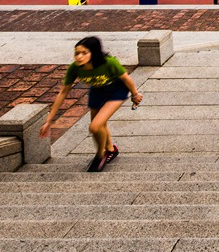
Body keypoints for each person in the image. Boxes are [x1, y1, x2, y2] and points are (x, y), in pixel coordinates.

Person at [39, 36, 142, 172]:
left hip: (115, 90)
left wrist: (135, 94)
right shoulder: (75, 68)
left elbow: (125, 78)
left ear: (93, 53)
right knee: (99, 125)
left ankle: (101, 154)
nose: (79, 57)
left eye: (84, 53)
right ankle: (111, 149)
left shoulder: (108, 62)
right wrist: (49, 120)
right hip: (97, 91)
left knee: (94, 127)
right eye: (77, 53)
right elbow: (63, 92)